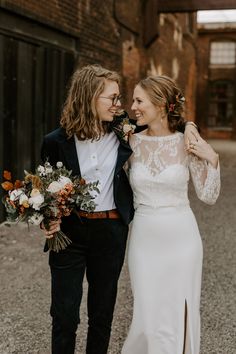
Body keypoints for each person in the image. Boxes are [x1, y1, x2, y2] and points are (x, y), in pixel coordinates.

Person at [40, 64, 200, 354]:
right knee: (64, 315)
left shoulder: (124, 128)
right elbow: (46, 190)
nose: (120, 105)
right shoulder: (54, 142)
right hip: (70, 234)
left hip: (111, 231)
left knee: (101, 316)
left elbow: (168, 118)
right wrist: (47, 219)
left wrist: (191, 127)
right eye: (112, 98)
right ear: (89, 97)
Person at [121, 75, 220, 354]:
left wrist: (212, 158)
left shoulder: (186, 142)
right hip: (144, 237)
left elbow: (208, 195)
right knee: (148, 315)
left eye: (139, 100)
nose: (133, 106)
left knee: (179, 312)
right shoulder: (129, 142)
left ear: (161, 104)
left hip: (182, 238)